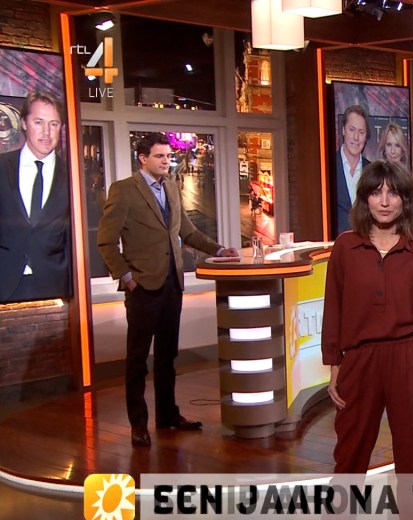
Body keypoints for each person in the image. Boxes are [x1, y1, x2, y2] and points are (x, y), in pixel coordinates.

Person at [311, 160, 413, 520]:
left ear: (406, 200)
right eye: (376, 192)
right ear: (365, 199)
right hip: (359, 361)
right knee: (349, 458)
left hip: (410, 358)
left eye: (393, 193)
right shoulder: (345, 247)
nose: (385, 201)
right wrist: (334, 363)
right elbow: (333, 308)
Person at [97, 133, 238, 448]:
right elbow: (105, 241)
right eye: (160, 156)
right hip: (142, 287)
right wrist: (127, 278)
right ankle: (138, 424)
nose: (166, 161)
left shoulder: (172, 188)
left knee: (167, 356)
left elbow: (187, 231)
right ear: (143, 158)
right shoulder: (123, 191)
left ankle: (167, 415)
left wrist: (219, 249)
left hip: (172, 284)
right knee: (137, 360)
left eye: (168, 156)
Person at [0, 91, 70, 303]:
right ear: (23, 123)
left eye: (53, 124)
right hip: (5, 282)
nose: (46, 132)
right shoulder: (2, 167)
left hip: (55, 285)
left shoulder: (72, 174)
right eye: (38, 122)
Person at [335, 104, 370, 234]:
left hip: (367, 242)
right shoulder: (327, 167)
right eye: (352, 130)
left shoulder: (372, 170)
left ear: (366, 136)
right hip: (335, 243)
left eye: (361, 132)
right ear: (343, 130)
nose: (356, 137)